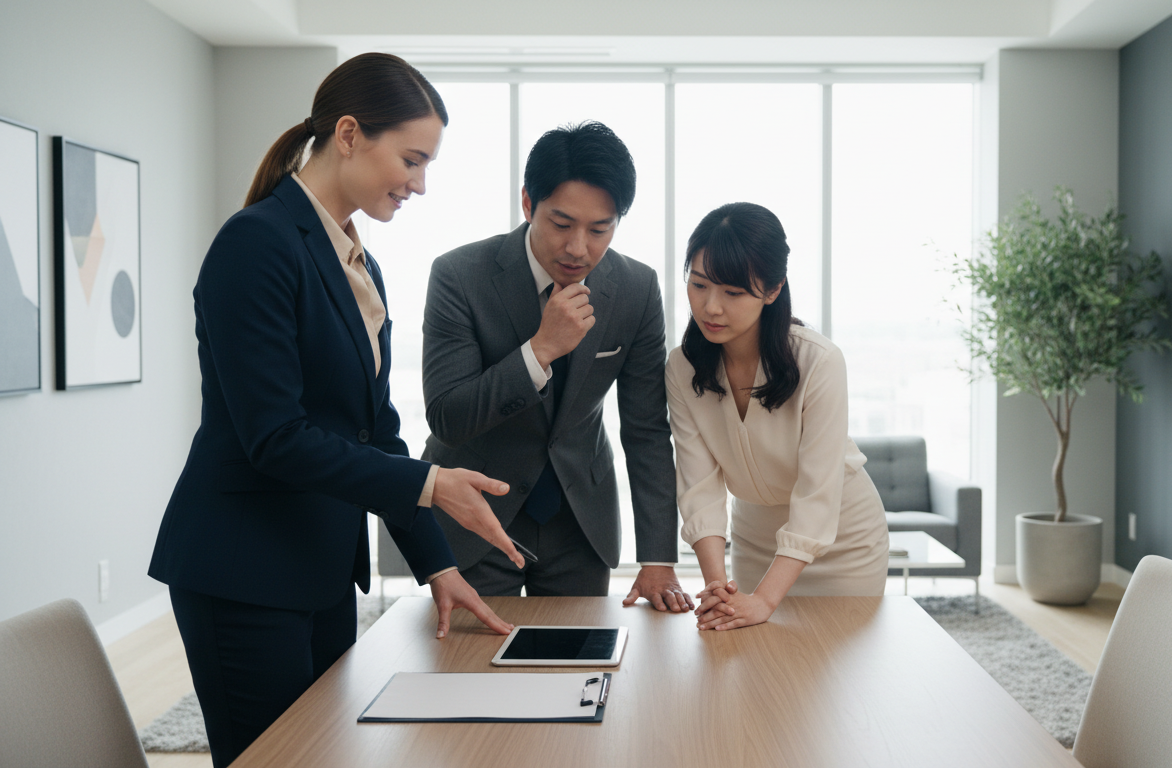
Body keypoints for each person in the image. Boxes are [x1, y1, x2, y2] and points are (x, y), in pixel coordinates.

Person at [147, 53, 524, 767]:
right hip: (242, 572)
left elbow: (375, 432)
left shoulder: (358, 261)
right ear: (349, 134)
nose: (419, 183)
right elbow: (275, 437)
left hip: (316, 566)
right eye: (411, 159)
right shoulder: (255, 244)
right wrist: (431, 484)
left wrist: (437, 566)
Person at [419, 121, 689, 609]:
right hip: (475, 518)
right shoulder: (459, 276)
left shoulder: (636, 289)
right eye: (562, 224)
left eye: (600, 229)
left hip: (579, 523)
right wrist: (539, 350)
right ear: (528, 203)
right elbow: (447, 416)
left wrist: (657, 556)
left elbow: (647, 430)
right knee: (470, 673)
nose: (578, 248)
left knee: (578, 673)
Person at [666, 202, 889, 632]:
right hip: (756, 542)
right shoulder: (682, 367)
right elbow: (699, 487)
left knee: (842, 681)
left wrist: (766, 600)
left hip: (843, 540)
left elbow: (818, 493)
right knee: (760, 676)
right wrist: (718, 589)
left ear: (772, 290)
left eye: (733, 293)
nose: (711, 307)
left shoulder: (819, 361)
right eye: (698, 285)